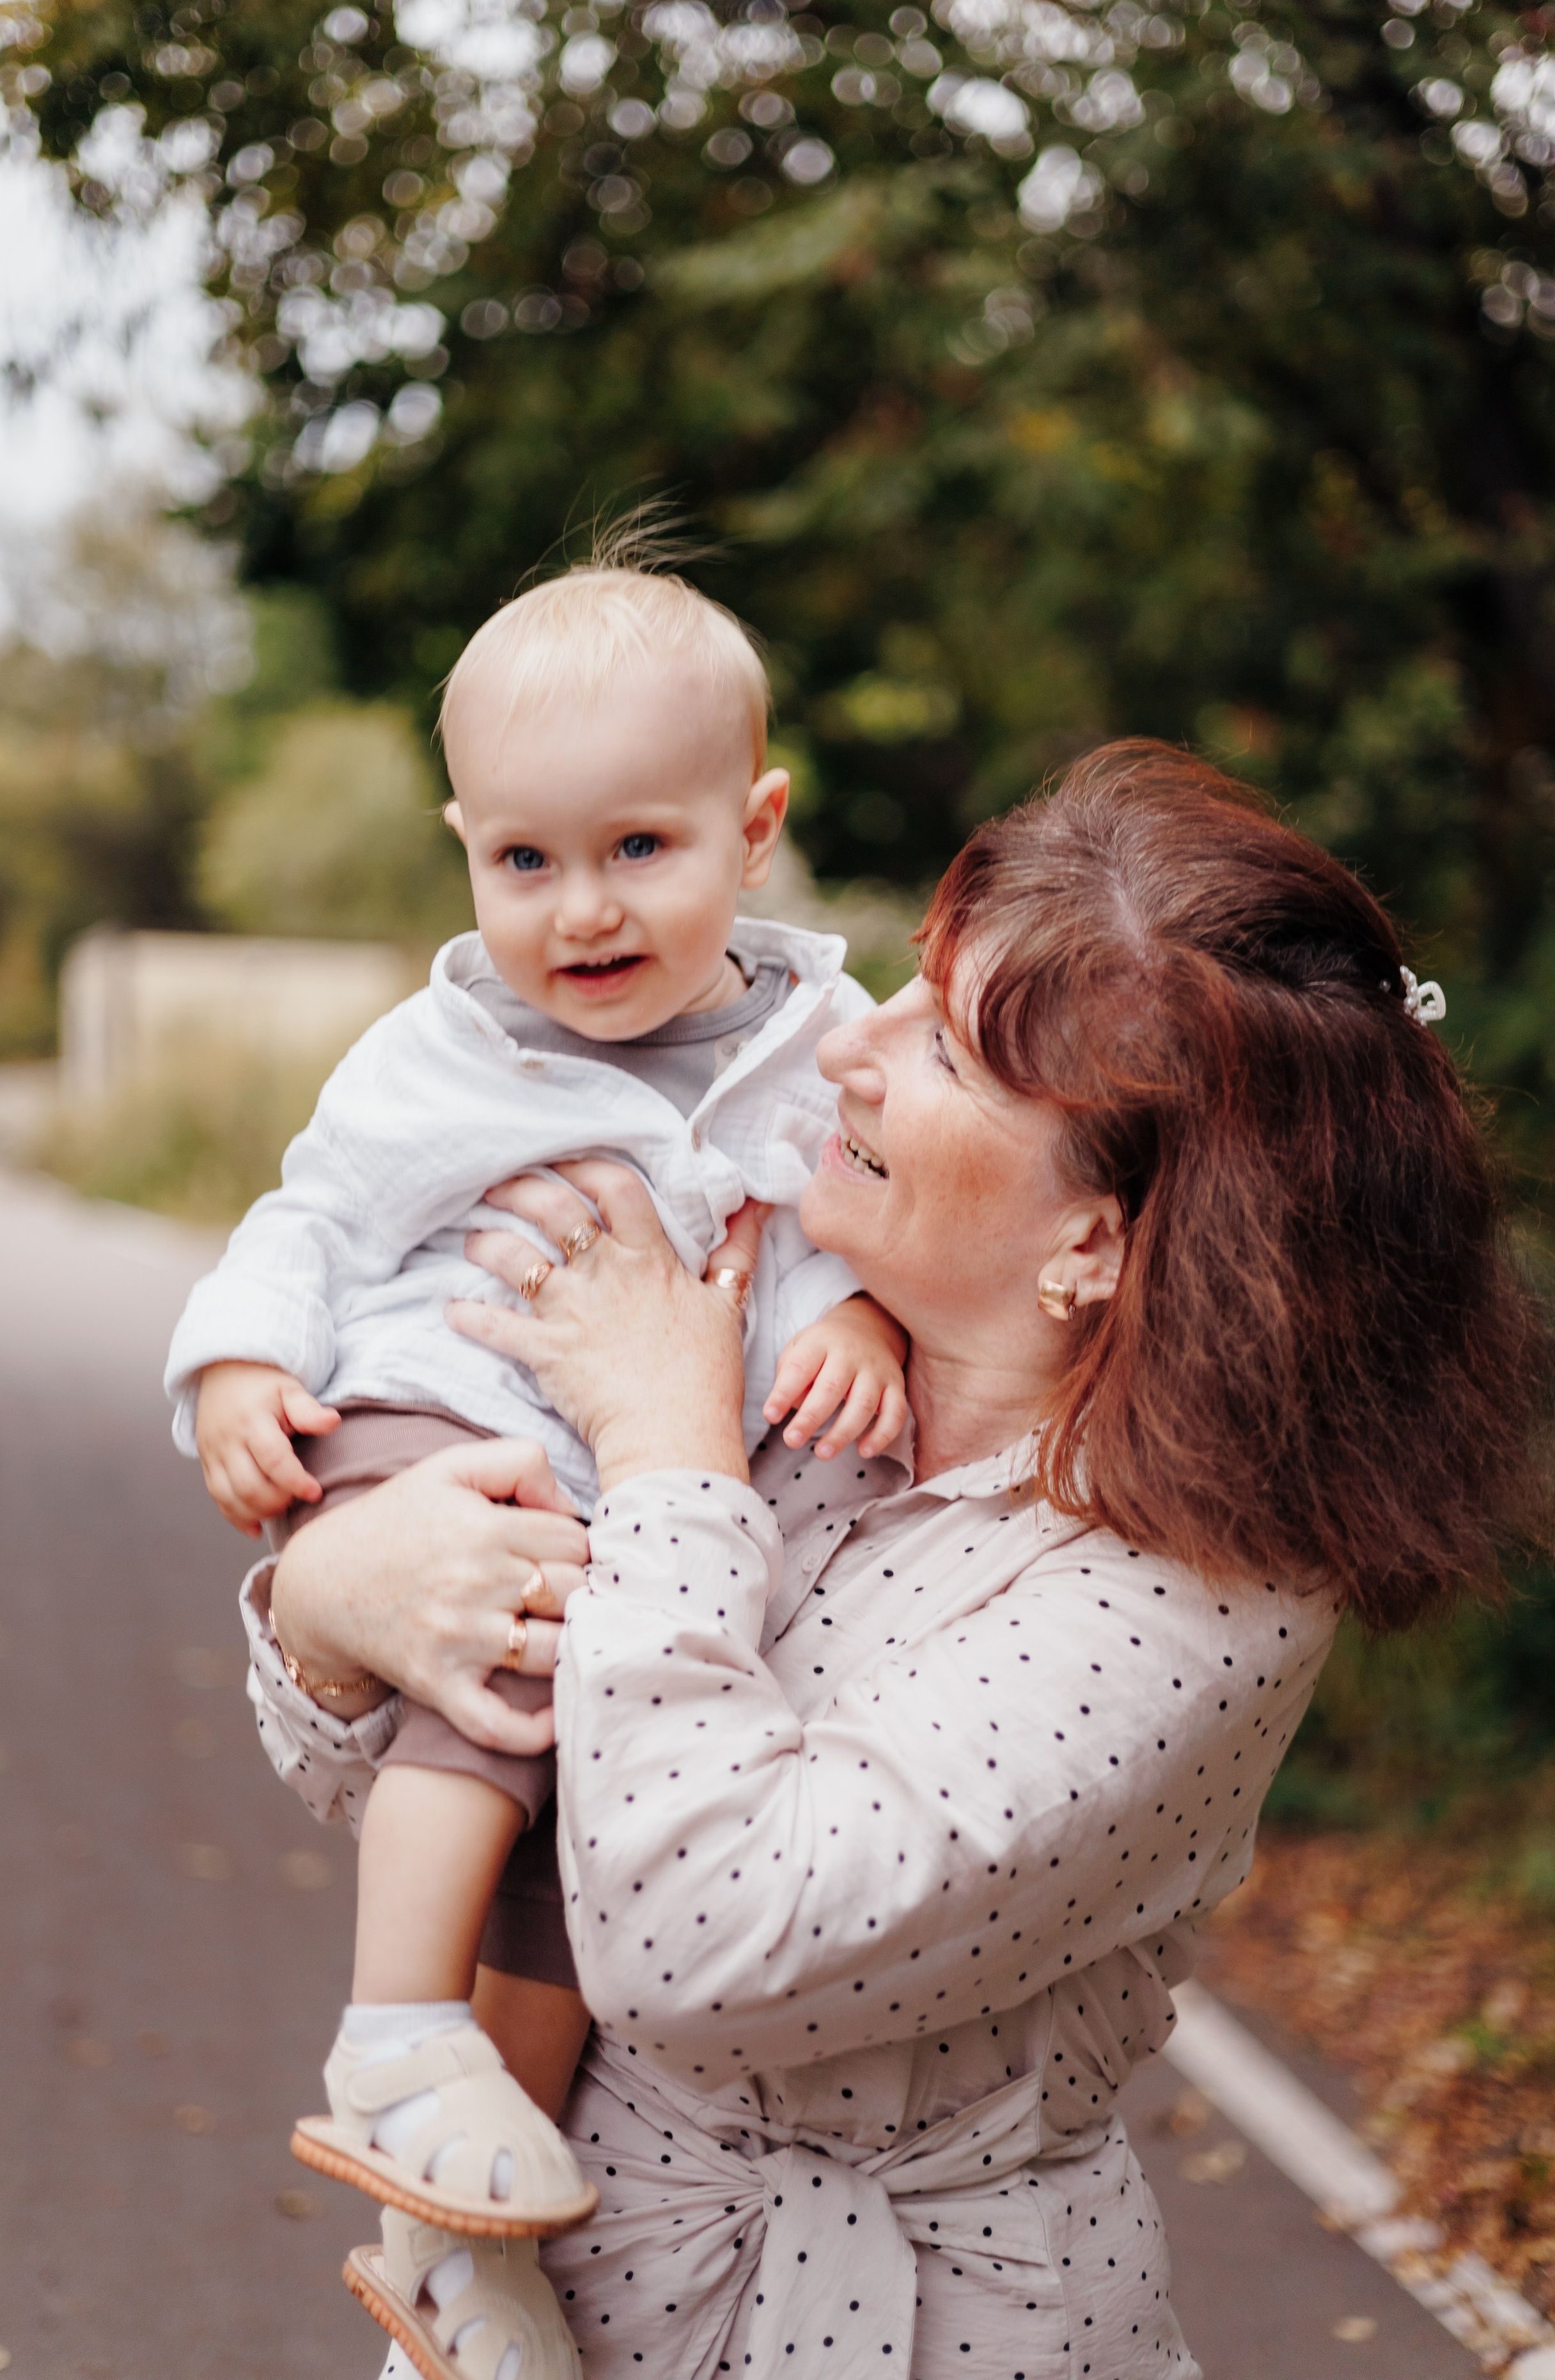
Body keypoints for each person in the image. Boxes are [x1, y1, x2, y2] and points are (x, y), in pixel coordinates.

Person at [251, 743, 1547, 2380]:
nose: (845, 1046)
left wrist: (662, 1449)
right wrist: (329, 1609)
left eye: (937, 1043)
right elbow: (432, 1769)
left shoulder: (1194, 1599)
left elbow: (690, 1948)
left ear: (1092, 1241)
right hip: (542, 2292)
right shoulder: (784, 1354)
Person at [162, 551, 910, 2320]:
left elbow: (827, 1223)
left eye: (639, 849)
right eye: (525, 861)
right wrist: (237, 1370)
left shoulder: (826, 1040)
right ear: (467, 848)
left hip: (638, 1494)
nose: (581, 910)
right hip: (441, 1413)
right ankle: (397, 2031)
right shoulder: (440, 1053)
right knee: (498, 1698)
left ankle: (460, 2223)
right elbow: (308, 1217)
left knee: (596, 1850)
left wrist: (860, 1317)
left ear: (757, 824)